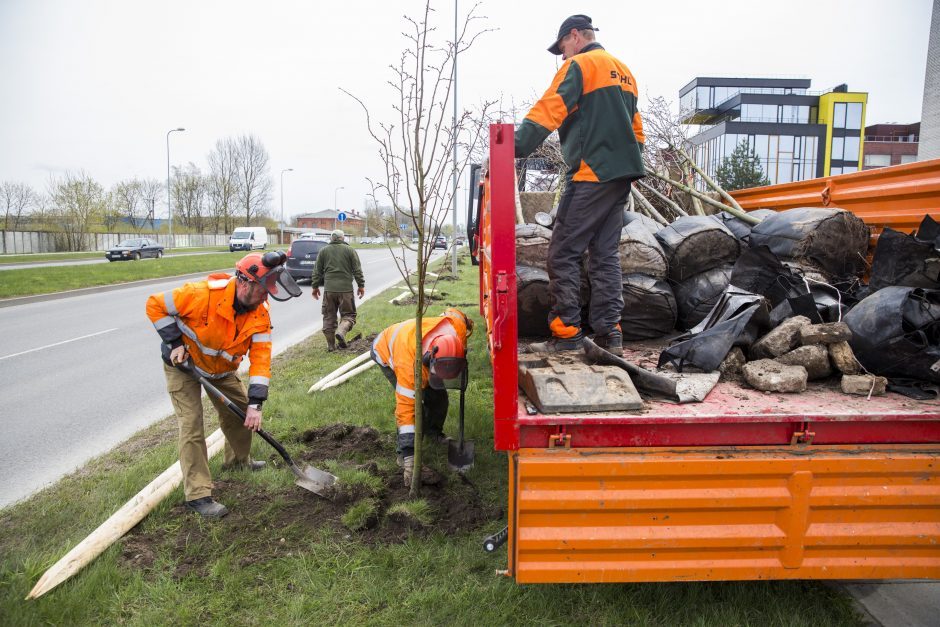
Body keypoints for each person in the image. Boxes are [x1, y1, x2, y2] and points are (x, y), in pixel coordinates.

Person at [515, 14, 645, 356]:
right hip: (621, 176)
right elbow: (637, 132)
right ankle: (609, 334)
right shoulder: (624, 71)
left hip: (591, 174)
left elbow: (549, 110)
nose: (562, 56)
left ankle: (567, 334)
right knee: (604, 255)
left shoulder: (581, 66)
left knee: (562, 252)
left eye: (562, 48)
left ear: (575, 36)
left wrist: (512, 147)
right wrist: (624, 163)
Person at [145, 251, 301, 518]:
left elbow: (261, 359)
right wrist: (175, 343)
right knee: (192, 424)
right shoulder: (201, 294)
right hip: (185, 365)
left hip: (222, 370)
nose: (266, 297)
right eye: (263, 290)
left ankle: (238, 462)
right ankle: (198, 494)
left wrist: (256, 404)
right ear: (244, 283)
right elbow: (154, 304)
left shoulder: (260, 313)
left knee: (240, 412)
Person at [370, 308, 473, 483]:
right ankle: (403, 456)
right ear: (429, 361)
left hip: (415, 345)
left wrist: (468, 322)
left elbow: (456, 315)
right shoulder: (410, 369)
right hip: (386, 349)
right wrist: (410, 454)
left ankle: (433, 433)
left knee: (439, 397)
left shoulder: (457, 331)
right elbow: (406, 409)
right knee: (417, 407)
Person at [311, 229, 365, 350]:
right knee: (349, 315)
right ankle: (341, 331)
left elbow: (317, 271)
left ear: (331, 239)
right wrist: (361, 285)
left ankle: (331, 346)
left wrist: (315, 287)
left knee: (329, 317)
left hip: (329, 290)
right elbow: (357, 270)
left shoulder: (323, 251)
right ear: (343, 238)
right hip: (346, 289)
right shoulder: (350, 250)